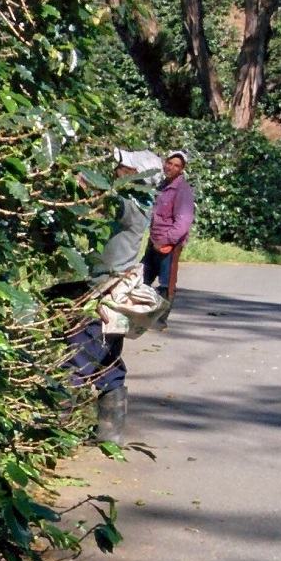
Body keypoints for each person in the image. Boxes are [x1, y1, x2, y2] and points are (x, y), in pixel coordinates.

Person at [67, 149, 158, 442]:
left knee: (77, 357)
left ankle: (51, 431)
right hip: (112, 292)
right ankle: (110, 435)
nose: (117, 170)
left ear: (136, 176)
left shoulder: (132, 205)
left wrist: (79, 181)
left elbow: (103, 199)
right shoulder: (138, 204)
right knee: (107, 360)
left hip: (105, 293)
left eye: (124, 167)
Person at [143, 149, 194, 328]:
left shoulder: (183, 191)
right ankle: (140, 316)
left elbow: (183, 223)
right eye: (170, 163)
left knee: (166, 283)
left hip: (170, 245)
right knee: (142, 278)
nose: (171, 168)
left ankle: (161, 320)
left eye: (176, 166)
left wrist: (166, 241)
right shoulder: (162, 186)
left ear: (182, 169)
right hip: (154, 241)